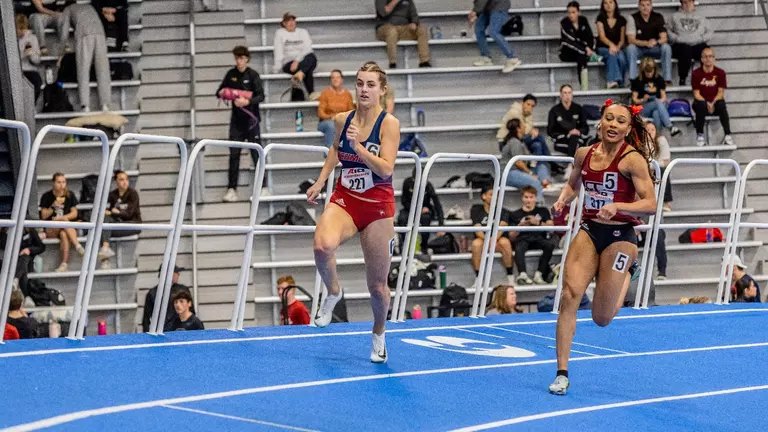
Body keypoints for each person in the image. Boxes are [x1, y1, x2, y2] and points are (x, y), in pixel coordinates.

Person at [548, 99, 657, 395]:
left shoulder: (632, 160)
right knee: (569, 295)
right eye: (609, 118)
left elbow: (650, 204)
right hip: (589, 229)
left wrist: (619, 206)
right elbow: (573, 184)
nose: (613, 125)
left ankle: (627, 273)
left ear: (627, 128)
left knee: (601, 318)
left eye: (620, 121)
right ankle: (561, 372)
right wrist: (563, 199)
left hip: (621, 236)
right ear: (600, 122)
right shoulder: (584, 153)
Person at [307, 62, 400, 363]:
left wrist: (358, 147)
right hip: (346, 197)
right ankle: (333, 292)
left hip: (377, 207)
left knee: (377, 287)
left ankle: (379, 333)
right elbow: (335, 149)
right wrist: (321, 180)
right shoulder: (342, 119)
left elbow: (386, 168)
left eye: (371, 84)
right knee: (322, 246)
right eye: (360, 83)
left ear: (382, 90)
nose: (364, 89)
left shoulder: (389, 124)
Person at [217, 46, 265, 203]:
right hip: (236, 123)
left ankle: (263, 188)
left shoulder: (253, 75)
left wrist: (247, 101)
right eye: (237, 58)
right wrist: (227, 94)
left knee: (256, 154)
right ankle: (232, 189)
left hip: (252, 122)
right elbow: (219, 91)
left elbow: (261, 96)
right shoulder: (231, 74)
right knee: (234, 156)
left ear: (247, 59)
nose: (239, 61)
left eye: (242, 58)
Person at [60, 3, 112, 112]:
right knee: (103, 71)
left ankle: (85, 105)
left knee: (83, 70)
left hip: (84, 35)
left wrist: (63, 46)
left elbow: (64, 28)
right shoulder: (89, 6)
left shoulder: (68, 9)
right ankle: (105, 104)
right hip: (100, 34)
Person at [508, 186, 558, 285]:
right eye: (526, 197)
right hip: (523, 240)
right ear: (522, 198)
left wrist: (538, 223)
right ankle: (522, 275)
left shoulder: (543, 210)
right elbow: (511, 236)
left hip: (538, 239)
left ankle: (539, 274)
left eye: (531, 197)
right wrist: (521, 225)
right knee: (519, 245)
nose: (528, 200)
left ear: (535, 198)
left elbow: (551, 227)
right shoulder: (515, 214)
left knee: (549, 245)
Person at [470, 186, 515, 285]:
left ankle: (510, 276)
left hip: (497, 240)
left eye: (496, 195)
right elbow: (478, 228)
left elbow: (501, 228)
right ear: (484, 196)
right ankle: (478, 278)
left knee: (505, 242)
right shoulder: (476, 209)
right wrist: (487, 240)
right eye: (491, 194)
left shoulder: (503, 211)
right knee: (476, 244)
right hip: (483, 240)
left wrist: (493, 239)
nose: (495, 197)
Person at [98, 170, 142, 269]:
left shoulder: (133, 193)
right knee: (103, 226)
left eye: (126, 179)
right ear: (116, 182)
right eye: (121, 180)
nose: (125, 182)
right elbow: (105, 210)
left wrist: (116, 212)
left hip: (133, 224)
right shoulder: (112, 195)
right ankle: (105, 252)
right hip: (118, 224)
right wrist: (108, 212)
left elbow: (129, 214)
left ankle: (105, 258)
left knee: (105, 229)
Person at [39, 173, 82, 272]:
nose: (62, 185)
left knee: (63, 234)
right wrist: (53, 206)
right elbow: (43, 215)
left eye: (63, 182)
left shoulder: (69, 195)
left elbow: (74, 213)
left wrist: (62, 218)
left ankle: (64, 264)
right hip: (51, 227)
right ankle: (77, 245)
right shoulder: (47, 196)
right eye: (59, 182)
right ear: (53, 183)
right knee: (63, 222)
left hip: (65, 228)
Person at [501, 118, 552, 201]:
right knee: (535, 183)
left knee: (541, 166)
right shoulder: (514, 142)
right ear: (518, 128)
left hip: (519, 171)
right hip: (509, 174)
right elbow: (518, 162)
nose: (525, 127)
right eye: (523, 125)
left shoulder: (520, 141)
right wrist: (531, 173)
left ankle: (544, 180)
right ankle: (539, 208)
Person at [692, 47, 732, 147]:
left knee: (722, 103)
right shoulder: (696, 73)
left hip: (715, 103)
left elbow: (721, 93)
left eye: (710, 56)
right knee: (700, 105)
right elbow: (696, 94)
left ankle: (727, 136)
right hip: (702, 103)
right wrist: (707, 103)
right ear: (702, 59)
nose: (708, 59)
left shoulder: (720, 73)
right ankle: (700, 136)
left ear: (714, 58)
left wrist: (712, 103)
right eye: (705, 57)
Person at [397, 168, 444, 253]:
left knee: (426, 218)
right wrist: (416, 209)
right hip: (409, 208)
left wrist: (441, 226)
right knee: (402, 218)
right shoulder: (407, 183)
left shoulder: (428, 186)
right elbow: (403, 201)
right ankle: (404, 246)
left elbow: (437, 205)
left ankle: (424, 246)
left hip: (424, 209)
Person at [273, 13, 319, 101]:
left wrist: (297, 61)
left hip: (302, 61)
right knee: (308, 68)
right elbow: (278, 51)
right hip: (288, 63)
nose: (291, 23)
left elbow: (307, 48)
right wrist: (277, 68)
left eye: (293, 20)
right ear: (284, 23)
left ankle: (300, 73)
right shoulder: (280, 33)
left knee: (311, 57)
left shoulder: (303, 32)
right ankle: (311, 93)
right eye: (288, 21)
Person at [631, 57, 681, 136]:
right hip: (642, 108)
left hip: (657, 106)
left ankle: (658, 137)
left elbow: (663, 97)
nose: (649, 74)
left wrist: (659, 102)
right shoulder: (637, 81)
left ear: (655, 70)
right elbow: (634, 100)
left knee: (656, 113)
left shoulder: (659, 79)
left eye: (651, 71)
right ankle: (670, 127)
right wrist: (643, 100)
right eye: (647, 72)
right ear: (643, 71)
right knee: (657, 103)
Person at [547, 84, 590, 177]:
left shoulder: (578, 108)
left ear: (572, 94)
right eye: (565, 93)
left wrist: (578, 132)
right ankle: (574, 168)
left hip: (577, 139)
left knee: (575, 139)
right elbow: (550, 130)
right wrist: (567, 134)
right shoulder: (554, 110)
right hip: (562, 140)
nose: (567, 95)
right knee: (578, 147)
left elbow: (585, 128)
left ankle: (570, 167)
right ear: (560, 95)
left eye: (569, 93)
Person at [375, 0, 432, 69]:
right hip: (385, 28)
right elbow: (383, 13)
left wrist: (414, 23)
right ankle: (392, 63)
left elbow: (414, 16)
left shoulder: (408, 1)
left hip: (403, 28)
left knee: (422, 29)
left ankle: (424, 62)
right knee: (392, 31)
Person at [625, 0, 672, 83]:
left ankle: (667, 80)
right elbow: (630, 39)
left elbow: (664, 38)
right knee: (630, 48)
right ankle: (633, 80)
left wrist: (655, 42)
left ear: (651, 6)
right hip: (639, 49)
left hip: (655, 48)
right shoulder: (632, 18)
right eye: (642, 5)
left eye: (647, 5)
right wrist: (646, 43)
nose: (645, 7)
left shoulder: (658, 17)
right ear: (639, 6)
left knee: (666, 47)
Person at [667, 0, 712, 85]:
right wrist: (676, 38)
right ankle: (683, 79)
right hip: (681, 44)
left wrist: (701, 39)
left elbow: (709, 32)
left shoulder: (701, 17)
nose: (687, 5)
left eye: (689, 2)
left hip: (697, 43)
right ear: (681, 4)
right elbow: (668, 31)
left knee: (706, 51)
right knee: (685, 50)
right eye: (684, 2)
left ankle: (706, 77)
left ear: (693, 2)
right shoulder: (674, 16)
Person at [470, 0, 521, 73]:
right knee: (479, 29)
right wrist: (476, 12)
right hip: (488, 7)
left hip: (499, 5)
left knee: (493, 31)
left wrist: (474, 12)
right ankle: (486, 57)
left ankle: (512, 59)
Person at [559, 1, 600, 91]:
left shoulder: (583, 20)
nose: (571, 15)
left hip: (582, 52)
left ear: (578, 12)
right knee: (581, 53)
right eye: (569, 13)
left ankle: (584, 86)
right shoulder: (564, 23)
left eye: (573, 12)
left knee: (582, 57)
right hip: (568, 52)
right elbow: (571, 40)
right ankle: (584, 85)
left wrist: (591, 49)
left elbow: (589, 36)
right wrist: (585, 49)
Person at [141, 265, 193, 332]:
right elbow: (146, 319)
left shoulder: (152, 293)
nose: (178, 274)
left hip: (162, 332)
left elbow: (146, 320)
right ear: (168, 274)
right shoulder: (183, 290)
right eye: (176, 272)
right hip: (178, 332)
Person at [0, 227, 45, 298]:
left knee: (24, 257)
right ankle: (25, 294)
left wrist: (29, 249)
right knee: (22, 271)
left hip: (25, 261)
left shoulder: (30, 230)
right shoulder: (3, 232)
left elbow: (42, 247)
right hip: (10, 262)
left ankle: (16, 280)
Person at [595, 0, 628, 88]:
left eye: (610, 2)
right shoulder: (600, 19)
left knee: (621, 57)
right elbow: (602, 37)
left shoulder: (622, 20)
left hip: (618, 47)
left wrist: (617, 47)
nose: (608, 5)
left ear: (615, 4)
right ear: (603, 5)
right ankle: (611, 81)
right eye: (605, 3)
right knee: (611, 54)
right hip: (603, 47)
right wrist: (611, 46)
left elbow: (622, 40)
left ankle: (620, 83)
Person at [317, 70, 354, 148]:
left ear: (342, 80)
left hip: (342, 121)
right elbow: (321, 113)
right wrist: (331, 117)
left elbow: (351, 112)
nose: (335, 79)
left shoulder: (347, 94)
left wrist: (342, 118)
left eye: (337, 77)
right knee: (332, 126)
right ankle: (329, 153)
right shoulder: (325, 93)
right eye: (333, 77)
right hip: (327, 121)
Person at [645, 121, 672, 211]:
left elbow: (666, 162)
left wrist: (652, 166)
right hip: (642, 169)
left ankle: (666, 202)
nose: (650, 132)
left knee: (664, 171)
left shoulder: (661, 140)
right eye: (647, 130)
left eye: (652, 130)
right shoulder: (639, 143)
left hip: (657, 169)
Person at [16, 14, 43, 102]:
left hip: (30, 69)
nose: (22, 32)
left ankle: (32, 105)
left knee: (37, 82)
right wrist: (23, 54)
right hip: (17, 70)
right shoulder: (12, 39)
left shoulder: (32, 38)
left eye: (23, 29)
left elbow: (37, 60)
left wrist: (32, 55)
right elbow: (11, 61)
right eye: (19, 29)